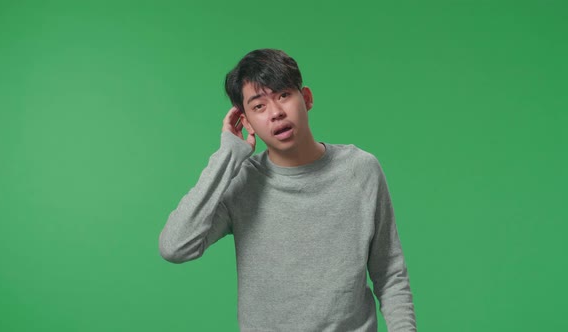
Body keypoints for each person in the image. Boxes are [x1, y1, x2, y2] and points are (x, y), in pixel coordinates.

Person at [158, 49, 417, 332]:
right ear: (245, 122)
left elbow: (390, 273)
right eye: (258, 106)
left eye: (283, 95)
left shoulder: (361, 169)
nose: (276, 113)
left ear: (306, 98)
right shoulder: (243, 182)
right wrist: (227, 155)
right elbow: (175, 247)